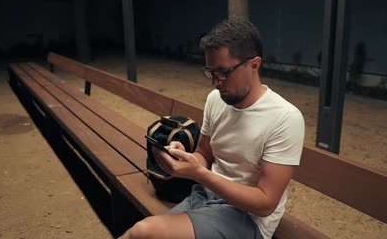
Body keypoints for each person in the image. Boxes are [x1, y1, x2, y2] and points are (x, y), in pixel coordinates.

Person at [119, 19, 305, 239]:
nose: (216, 82)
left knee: (143, 233)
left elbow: (265, 203)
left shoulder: (285, 118)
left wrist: (201, 175)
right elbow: (204, 153)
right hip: (203, 197)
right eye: (211, 72)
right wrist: (185, 159)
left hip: (245, 218)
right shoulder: (216, 100)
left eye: (223, 72)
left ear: (254, 64)